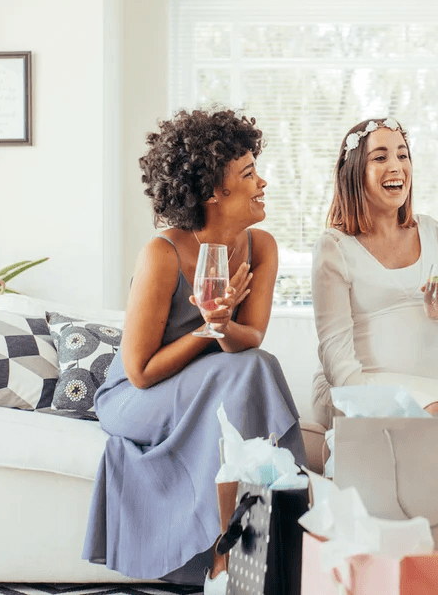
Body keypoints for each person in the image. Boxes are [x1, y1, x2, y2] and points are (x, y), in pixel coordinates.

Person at [83, 108, 304, 584]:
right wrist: (206, 329)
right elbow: (140, 371)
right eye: (248, 174)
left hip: (218, 383)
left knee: (254, 365)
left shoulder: (261, 246)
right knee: (245, 372)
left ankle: (242, 542)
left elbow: (251, 340)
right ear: (211, 192)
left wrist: (223, 326)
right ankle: (233, 551)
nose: (262, 183)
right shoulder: (163, 254)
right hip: (137, 397)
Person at [311, 117, 438, 427]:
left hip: (433, 388)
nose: (396, 166)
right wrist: (363, 404)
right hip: (363, 388)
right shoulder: (334, 247)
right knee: (433, 414)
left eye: (403, 154)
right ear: (355, 171)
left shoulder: (431, 231)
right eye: (380, 157)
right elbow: (335, 352)